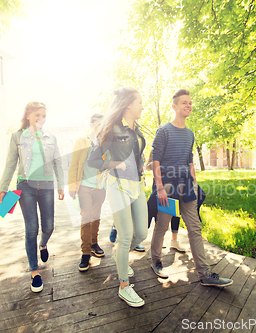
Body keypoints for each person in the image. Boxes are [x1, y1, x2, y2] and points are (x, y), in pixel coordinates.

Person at [150, 89, 233, 288]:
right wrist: (160, 188)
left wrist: (194, 183)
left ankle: (204, 274)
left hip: (187, 187)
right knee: (162, 226)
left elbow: (189, 161)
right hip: (167, 188)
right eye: (184, 103)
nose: (189, 106)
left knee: (195, 228)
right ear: (174, 106)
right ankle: (156, 260)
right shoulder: (164, 131)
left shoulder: (190, 134)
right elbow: (155, 160)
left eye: (190, 103)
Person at [88, 87, 148, 307]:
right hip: (118, 185)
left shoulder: (137, 129)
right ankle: (124, 286)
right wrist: (115, 164)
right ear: (128, 105)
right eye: (140, 102)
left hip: (138, 185)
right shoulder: (111, 129)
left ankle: (119, 256)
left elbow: (136, 156)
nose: (143, 106)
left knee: (141, 233)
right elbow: (93, 161)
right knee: (125, 236)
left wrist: (143, 166)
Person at [0, 101, 65, 293]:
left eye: (43, 115)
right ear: (28, 116)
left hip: (46, 186)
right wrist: (3, 188)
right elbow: (10, 163)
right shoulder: (17, 137)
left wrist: (61, 184)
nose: (41, 119)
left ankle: (43, 245)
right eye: (37, 115)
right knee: (31, 228)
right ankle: (34, 271)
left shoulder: (51, 136)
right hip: (25, 186)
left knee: (49, 226)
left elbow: (58, 162)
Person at [68, 114, 107, 271]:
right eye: (98, 124)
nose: (100, 127)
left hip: (100, 186)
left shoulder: (105, 143)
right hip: (84, 186)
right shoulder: (82, 141)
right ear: (91, 125)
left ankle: (94, 243)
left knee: (96, 217)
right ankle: (85, 253)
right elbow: (74, 164)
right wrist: (72, 186)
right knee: (86, 218)